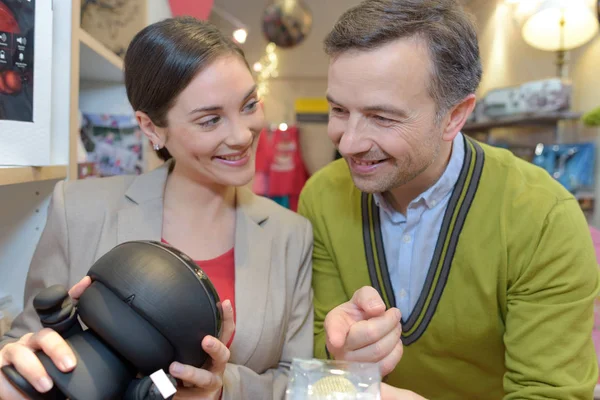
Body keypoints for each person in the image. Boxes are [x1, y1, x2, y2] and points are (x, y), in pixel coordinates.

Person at [298, 0, 600, 399]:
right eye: (338, 109)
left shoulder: (542, 217)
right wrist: (339, 352)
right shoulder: (322, 196)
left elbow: (549, 392)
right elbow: (320, 360)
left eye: (383, 117)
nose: (349, 142)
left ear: (455, 116)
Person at [0, 17, 314, 400]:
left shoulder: (291, 233)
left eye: (249, 105)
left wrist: (219, 390)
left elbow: (297, 379)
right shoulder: (78, 210)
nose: (242, 134)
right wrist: (20, 362)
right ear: (151, 128)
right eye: (210, 119)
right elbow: (26, 342)